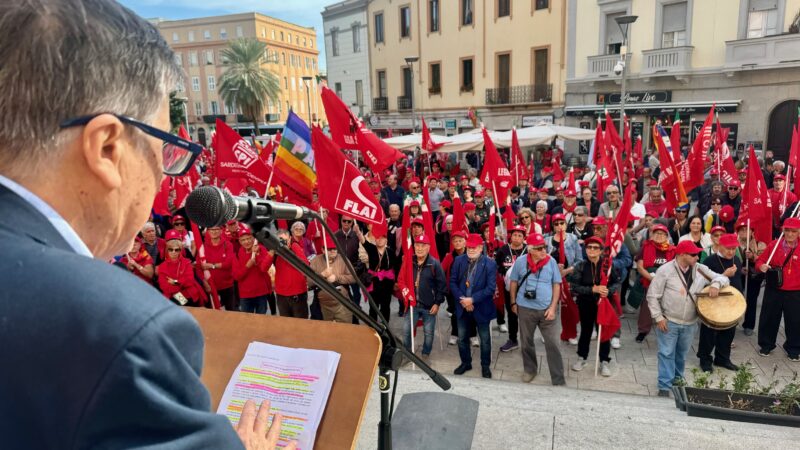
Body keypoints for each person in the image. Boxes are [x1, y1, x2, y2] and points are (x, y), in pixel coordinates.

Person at [646, 240, 729, 397]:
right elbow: (652, 296)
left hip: (690, 322)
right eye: (693, 254)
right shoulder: (665, 270)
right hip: (669, 320)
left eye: (697, 254)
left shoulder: (700, 269)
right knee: (666, 353)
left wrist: (715, 285)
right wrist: (658, 317)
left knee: (681, 355)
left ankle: (678, 381)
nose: (697, 257)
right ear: (682, 254)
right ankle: (664, 386)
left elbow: (723, 278)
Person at [509, 233, 565, 385]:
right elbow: (513, 282)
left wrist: (553, 307)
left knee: (553, 343)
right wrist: (513, 303)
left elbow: (556, 284)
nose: (543, 251)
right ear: (530, 249)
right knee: (526, 342)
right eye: (539, 248)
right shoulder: (521, 262)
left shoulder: (551, 261)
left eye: (544, 247)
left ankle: (558, 378)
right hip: (525, 308)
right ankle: (530, 370)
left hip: (547, 309)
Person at [567, 236, 621, 377]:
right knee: (586, 331)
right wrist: (592, 289)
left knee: (603, 332)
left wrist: (608, 291)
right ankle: (582, 357)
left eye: (595, 247)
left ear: (601, 251)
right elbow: (574, 287)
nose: (592, 250)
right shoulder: (580, 266)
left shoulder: (607, 265)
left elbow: (616, 283)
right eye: (589, 247)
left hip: (603, 304)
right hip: (586, 303)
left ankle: (604, 361)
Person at [450, 234, 498, 378]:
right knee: (462, 338)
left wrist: (472, 300)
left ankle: (485, 365)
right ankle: (465, 363)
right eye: (469, 247)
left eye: (474, 247)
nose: (471, 249)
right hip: (462, 306)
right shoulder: (458, 261)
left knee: (485, 339)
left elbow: (490, 288)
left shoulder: (490, 264)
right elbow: (452, 282)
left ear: (480, 247)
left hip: (481, 307)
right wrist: (464, 300)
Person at [756, 217, 800, 360]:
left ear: (798, 232)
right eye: (787, 230)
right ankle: (766, 345)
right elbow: (760, 260)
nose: (790, 234)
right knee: (769, 318)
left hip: (795, 291)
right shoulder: (774, 245)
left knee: (795, 321)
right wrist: (761, 266)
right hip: (774, 288)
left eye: (793, 231)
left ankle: (794, 348)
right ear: (783, 231)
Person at [699, 234, 743, 372]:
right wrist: (724, 275)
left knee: (729, 332)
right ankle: (705, 360)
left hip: (731, 303)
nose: (731, 252)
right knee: (708, 333)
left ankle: (722, 359)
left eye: (733, 248)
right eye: (728, 248)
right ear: (719, 246)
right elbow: (703, 283)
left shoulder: (736, 260)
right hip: (713, 303)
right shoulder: (710, 261)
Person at [403, 234, 446, 363]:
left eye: (423, 246)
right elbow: (403, 280)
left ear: (428, 248)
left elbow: (442, 286)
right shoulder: (409, 262)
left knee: (429, 333)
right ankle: (407, 354)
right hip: (412, 305)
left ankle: (426, 352)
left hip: (429, 306)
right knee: (406, 331)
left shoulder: (434, 264)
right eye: (417, 245)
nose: (420, 248)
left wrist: (437, 303)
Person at [545, 214, 583, 344]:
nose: (559, 226)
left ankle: (570, 333)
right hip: (550, 278)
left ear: (566, 225)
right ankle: (547, 334)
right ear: (553, 226)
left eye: (562, 223)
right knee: (550, 306)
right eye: (556, 224)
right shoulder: (547, 240)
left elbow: (579, 261)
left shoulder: (573, 239)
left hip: (569, 278)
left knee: (568, 307)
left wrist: (566, 271)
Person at [633, 224, 675, 343]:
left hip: (667, 283)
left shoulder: (673, 249)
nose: (659, 236)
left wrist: (664, 281)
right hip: (649, 281)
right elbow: (640, 268)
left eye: (662, 234)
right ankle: (643, 331)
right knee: (646, 307)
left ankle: (667, 329)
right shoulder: (645, 247)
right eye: (656, 233)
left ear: (667, 236)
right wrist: (655, 280)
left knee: (667, 307)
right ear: (652, 235)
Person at [308, 235, 355, 323]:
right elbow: (308, 282)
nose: (333, 251)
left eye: (335, 248)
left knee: (345, 330)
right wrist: (322, 275)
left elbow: (353, 278)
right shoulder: (315, 261)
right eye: (329, 249)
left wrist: (337, 277)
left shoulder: (344, 259)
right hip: (323, 305)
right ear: (323, 249)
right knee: (326, 332)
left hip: (342, 304)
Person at [496, 225, 528, 352]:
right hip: (509, 288)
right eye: (514, 235)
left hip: (526, 289)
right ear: (510, 236)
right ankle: (513, 339)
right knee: (512, 314)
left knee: (526, 316)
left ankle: (527, 341)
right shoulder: (503, 250)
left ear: (524, 238)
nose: (516, 237)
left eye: (520, 235)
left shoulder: (528, 250)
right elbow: (497, 266)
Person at [157, 230, 207, 307]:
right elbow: (164, 286)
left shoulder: (186, 262)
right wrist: (181, 284)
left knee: (192, 305)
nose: (174, 252)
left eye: (177, 250)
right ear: (167, 249)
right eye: (171, 249)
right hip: (173, 295)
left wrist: (175, 282)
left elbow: (189, 281)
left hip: (188, 293)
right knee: (180, 306)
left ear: (180, 250)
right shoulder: (162, 265)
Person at [232, 224, 273, 314]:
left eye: (248, 238)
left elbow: (264, 268)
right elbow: (236, 276)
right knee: (247, 322)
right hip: (246, 296)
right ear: (239, 241)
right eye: (243, 240)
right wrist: (247, 266)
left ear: (253, 239)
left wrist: (257, 255)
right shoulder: (236, 255)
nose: (246, 242)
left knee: (261, 322)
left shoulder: (261, 249)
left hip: (261, 293)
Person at [361, 226, 397, 323]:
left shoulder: (390, 252)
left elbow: (396, 267)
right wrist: (358, 232)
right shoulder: (372, 249)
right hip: (374, 283)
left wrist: (396, 282)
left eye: (382, 238)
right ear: (375, 239)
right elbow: (363, 241)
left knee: (385, 306)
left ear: (386, 240)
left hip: (387, 283)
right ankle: (373, 327)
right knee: (373, 306)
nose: (380, 240)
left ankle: (385, 327)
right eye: (378, 238)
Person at [273, 229, 310, 319]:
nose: (283, 243)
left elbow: (306, 265)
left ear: (290, 238)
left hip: (298, 294)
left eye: (285, 240)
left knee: (301, 323)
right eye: (280, 240)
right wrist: (272, 251)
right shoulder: (275, 252)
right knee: (286, 324)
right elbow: (263, 267)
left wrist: (292, 247)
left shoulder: (295, 247)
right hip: (282, 295)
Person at [202, 225, 237, 312]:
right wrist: (205, 283)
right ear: (208, 232)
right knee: (215, 313)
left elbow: (228, 263)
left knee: (230, 312)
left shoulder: (228, 245)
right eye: (211, 229)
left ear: (221, 231)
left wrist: (212, 265)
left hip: (227, 285)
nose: (214, 232)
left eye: (217, 229)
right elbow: (200, 267)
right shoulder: (203, 247)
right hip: (211, 286)